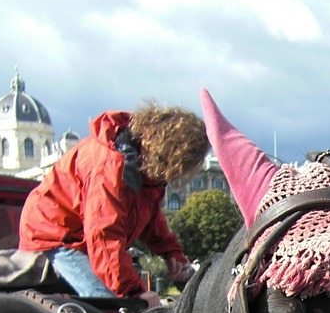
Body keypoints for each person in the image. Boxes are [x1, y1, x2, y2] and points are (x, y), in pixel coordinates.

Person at [20, 103, 208, 298]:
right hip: (57, 235)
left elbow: (150, 218)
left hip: (80, 235)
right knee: (111, 303)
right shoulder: (110, 165)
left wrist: (172, 254)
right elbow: (104, 234)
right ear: (171, 154)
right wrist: (133, 293)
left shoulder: (142, 166)